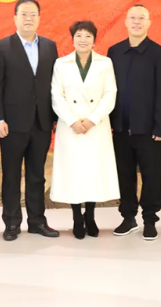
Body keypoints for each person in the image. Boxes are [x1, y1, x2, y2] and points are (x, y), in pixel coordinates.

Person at [0, 0, 60, 241]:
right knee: (11, 175)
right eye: (24, 14)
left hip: (41, 122)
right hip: (11, 124)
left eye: (33, 14)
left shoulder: (50, 46)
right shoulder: (2, 46)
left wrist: (55, 118)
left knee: (37, 175)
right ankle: (11, 223)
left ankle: (37, 221)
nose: (28, 18)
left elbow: (53, 85)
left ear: (39, 18)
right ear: (15, 18)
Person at [50, 21, 119, 239]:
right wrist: (72, 121)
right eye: (79, 35)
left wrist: (91, 120)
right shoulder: (61, 63)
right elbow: (56, 96)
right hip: (70, 125)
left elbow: (110, 94)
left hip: (95, 126)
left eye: (88, 36)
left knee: (92, 171)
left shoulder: (105, 63)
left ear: (94, 40)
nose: (83, 40)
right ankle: (76, 218)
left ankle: (90, 215)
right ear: (72, 39)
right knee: (73, 171)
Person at [108, 5, 161, 240]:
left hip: (148, 130)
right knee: (124, 175)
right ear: (126, 22)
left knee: (151, 175)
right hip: (120, 128)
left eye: (141, 18)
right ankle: (128, 217)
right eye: (132, 18)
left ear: (149, 23)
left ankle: (150, 219)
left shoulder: (159, 53)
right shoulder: (114, 52)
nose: (136, 22)